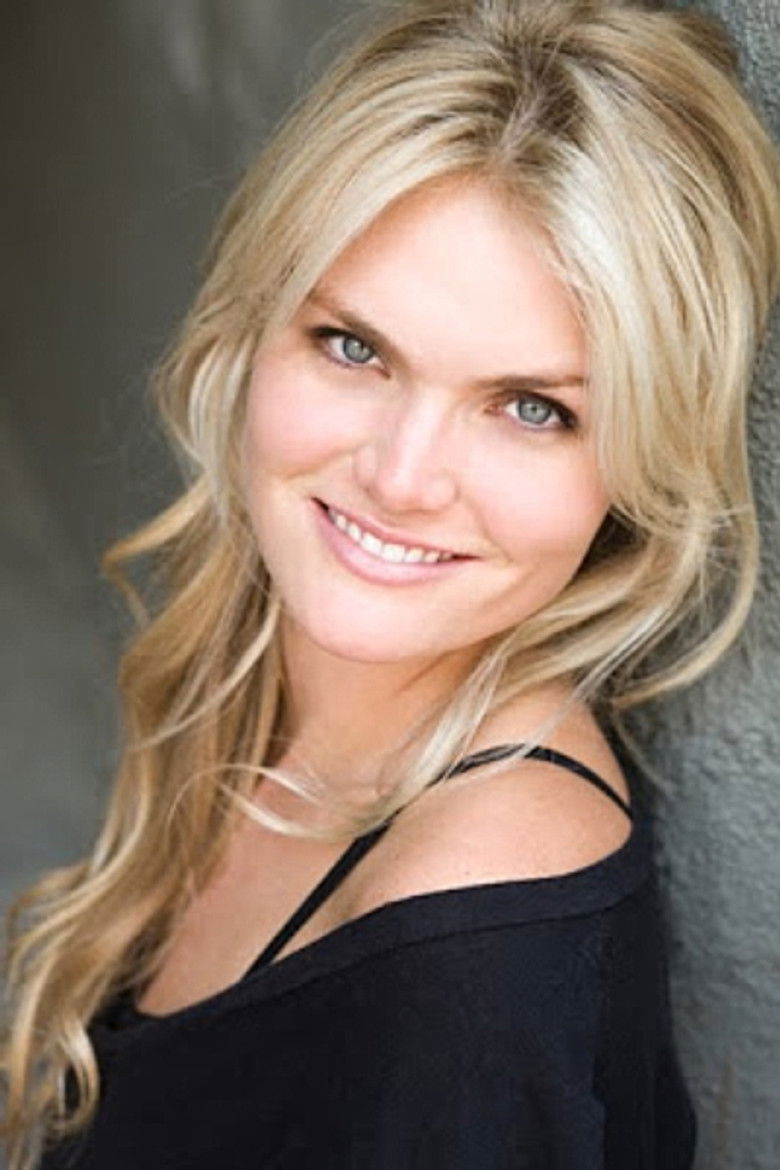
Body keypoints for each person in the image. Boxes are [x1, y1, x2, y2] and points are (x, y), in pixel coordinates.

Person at [2, 0, 779, 1166]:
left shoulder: (471, 980)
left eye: (532, 408)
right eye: (355, 347)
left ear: (635, 469)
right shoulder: (264, 691)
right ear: (254, 328)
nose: (401, 479)